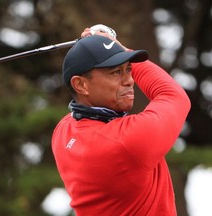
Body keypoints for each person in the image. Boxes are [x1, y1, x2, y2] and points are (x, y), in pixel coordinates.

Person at [51, 27, 191, 216]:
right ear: (81, 84)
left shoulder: (63, 131)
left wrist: (107, 47)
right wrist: (119, 47)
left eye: (129, 69)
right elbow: (173, 96)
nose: (129, 80)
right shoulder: (127, 140)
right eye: (116, 72)